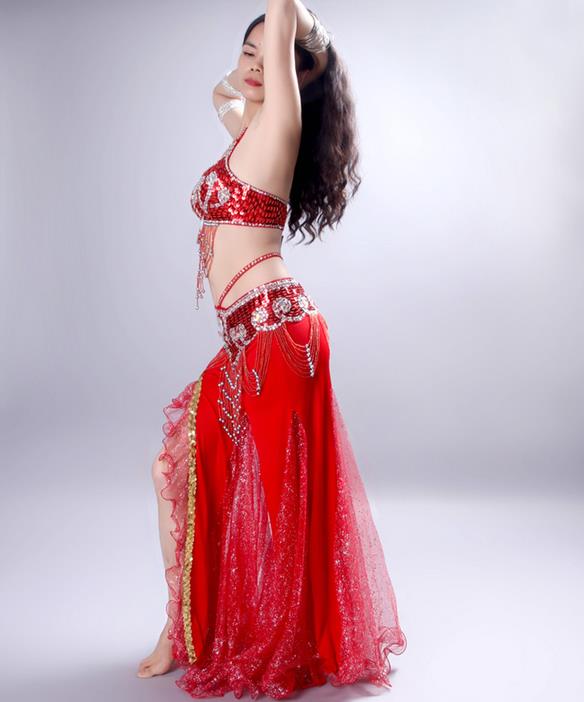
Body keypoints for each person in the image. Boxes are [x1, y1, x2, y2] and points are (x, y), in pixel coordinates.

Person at [137, 1, 407, 698]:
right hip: (249, 338)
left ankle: (277, 641)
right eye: (248, 52)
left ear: (297, 70)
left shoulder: (280, 125)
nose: (256, 67)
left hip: (277, 335)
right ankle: (182, 627)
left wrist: (310, 41)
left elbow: (284, 10)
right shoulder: (249, 132)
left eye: (272, 55)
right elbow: (221, 93)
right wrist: (248, 72)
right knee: (174, 469)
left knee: (282, 505)